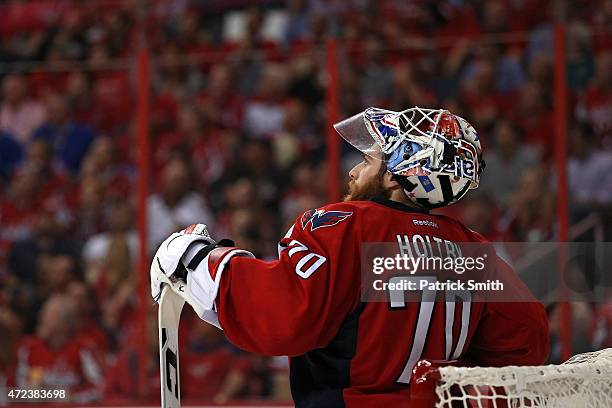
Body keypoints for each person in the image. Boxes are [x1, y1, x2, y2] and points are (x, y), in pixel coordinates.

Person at [151, 106, 549, 407]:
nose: (354, 172)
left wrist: (197, 260)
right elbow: (525, 342)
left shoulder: (345, 225)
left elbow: (285, 316)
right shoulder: (475, 251)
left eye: (367, 160)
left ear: (396, 175)